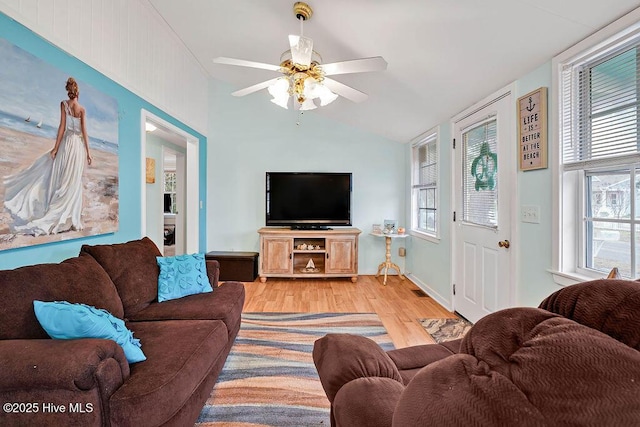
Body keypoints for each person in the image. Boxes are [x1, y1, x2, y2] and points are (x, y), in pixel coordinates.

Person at [3, 77, 93, 236]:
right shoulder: (82, 110)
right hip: (77, 148)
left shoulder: (64, 104)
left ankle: (58, 212)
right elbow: (84, 133)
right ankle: (69, 217)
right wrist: (89, 153)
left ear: (68, 91)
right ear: (77, 92)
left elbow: (62, 128)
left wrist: (56, 148)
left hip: (66, 144)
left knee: (60, 177)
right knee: (71, 181)